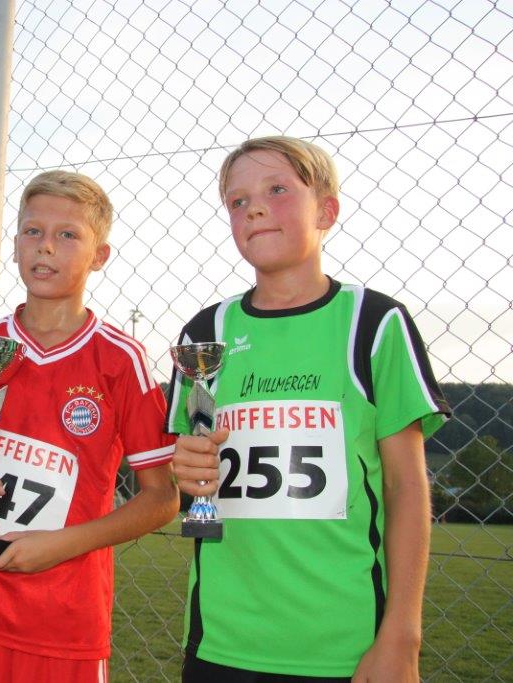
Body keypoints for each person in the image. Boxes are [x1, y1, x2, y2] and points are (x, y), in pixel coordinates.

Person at [168, 136, 451, 682]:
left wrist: (402, 634)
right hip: (221, 640)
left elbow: (405, 485)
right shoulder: (205, 332)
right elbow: (191, 469)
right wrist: (188, 470)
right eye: (237, 201)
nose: (254, 208)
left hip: (345, 646)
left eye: (277, 190)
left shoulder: (374, 323)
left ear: (326, 211)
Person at [0, 170, 179, 682]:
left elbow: (162, 498)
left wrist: (63, 543)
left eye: (68, 235)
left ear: (99, 256)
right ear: (16, 243)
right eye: (33, 231)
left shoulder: (120, 359)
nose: (45, 246)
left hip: (66, 619)